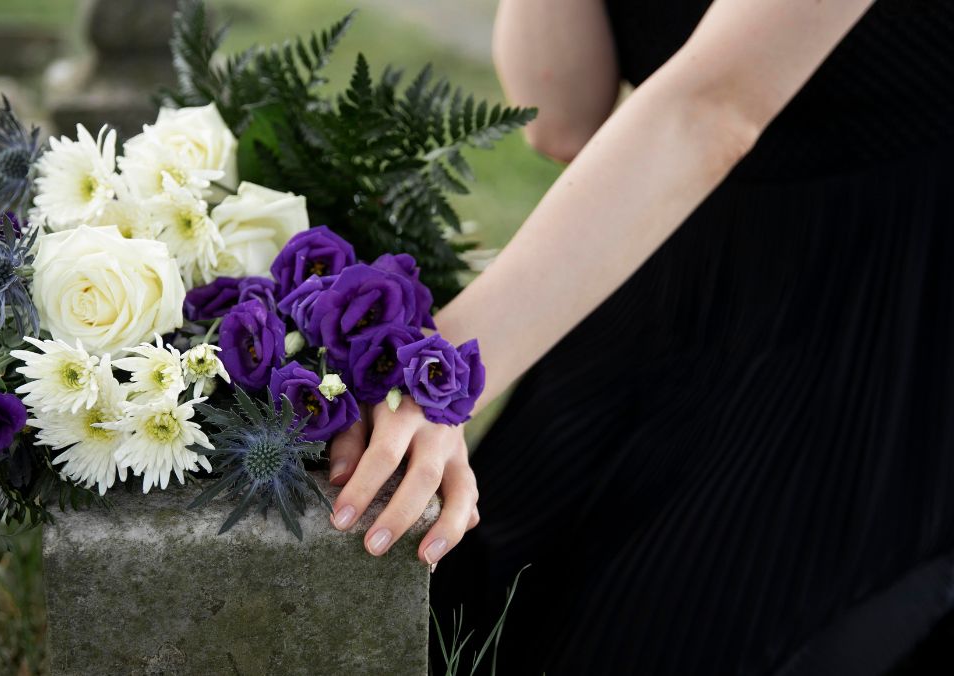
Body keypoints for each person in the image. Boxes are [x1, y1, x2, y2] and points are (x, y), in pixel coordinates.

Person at [325, 0, 954, 673]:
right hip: (663, 275)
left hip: (871, 328)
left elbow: (709, 112)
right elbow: (563, 115)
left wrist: (432, 374)